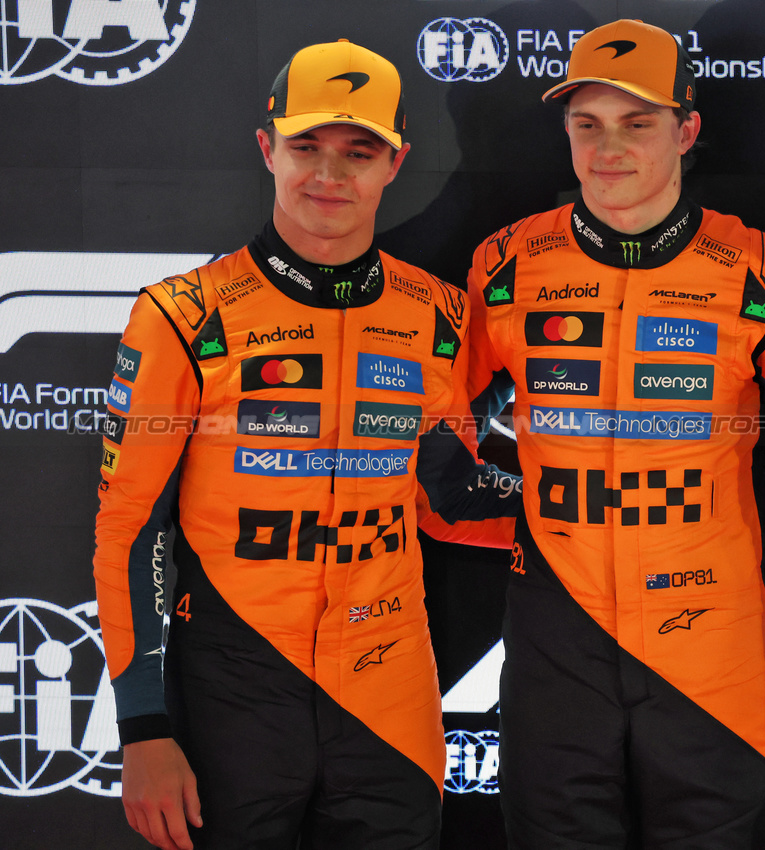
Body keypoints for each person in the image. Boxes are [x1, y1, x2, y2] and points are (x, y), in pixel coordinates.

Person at [93, 40, 519, 850]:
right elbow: (130, 529)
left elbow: (447, 490)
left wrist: (583, 512)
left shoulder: (437, 316)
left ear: (395, 163)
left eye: (357, 151)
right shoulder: (183, 315)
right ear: (268, 149)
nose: (329, 174)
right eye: (306, 146)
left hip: (389, 685)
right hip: (234, 684)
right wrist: (143, 729)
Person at [465, 19, 765, 849]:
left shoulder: (762, 267)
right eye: (586, 123)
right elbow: (433, 441)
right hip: (557, 631)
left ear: (685, 131)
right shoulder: (504, 263)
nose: (608, 147)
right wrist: (501, 513)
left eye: (637, 122)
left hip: (706, 632)